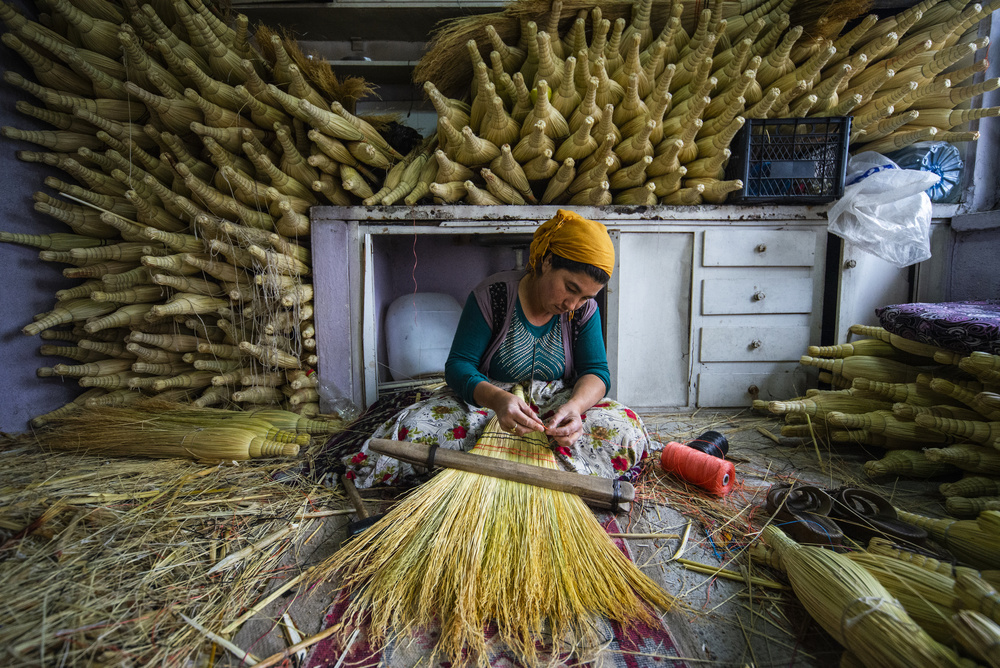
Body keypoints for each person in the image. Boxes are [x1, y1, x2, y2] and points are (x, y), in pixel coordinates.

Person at [342, 209, 659, 488]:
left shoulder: (581, 311)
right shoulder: (493, 295)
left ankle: (481, 473)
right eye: (571, 288)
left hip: (554, 403)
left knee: (625, 429)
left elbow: (596, 372)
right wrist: (497, 399)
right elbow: (459, 367)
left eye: (585, 297)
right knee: (412, 429)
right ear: (547, 262)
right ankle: (549, 475)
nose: (572, 304)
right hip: (488, 403)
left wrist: (575, 408)